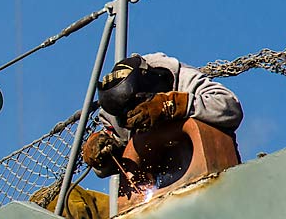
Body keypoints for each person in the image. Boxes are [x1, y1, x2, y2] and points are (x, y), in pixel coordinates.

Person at [82, 52, 243, 176]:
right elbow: (116, 151)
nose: (133, 117)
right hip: (157, 193)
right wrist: (103, 158)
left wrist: (171, 104)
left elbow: (230, 107)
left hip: (209, 172)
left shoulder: (181, 79)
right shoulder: (114, 112)